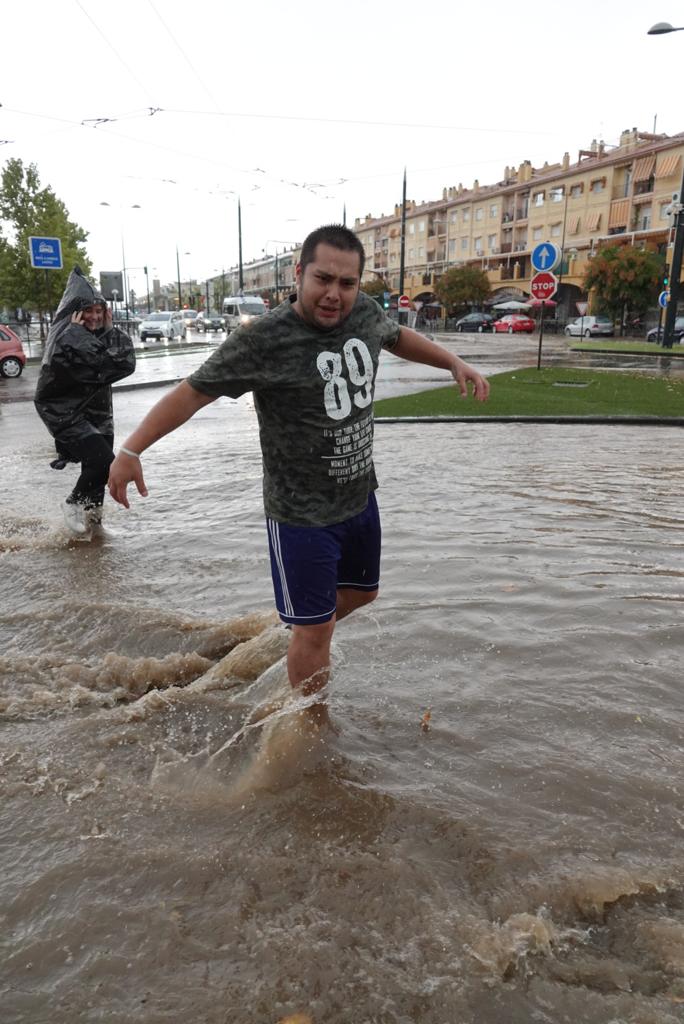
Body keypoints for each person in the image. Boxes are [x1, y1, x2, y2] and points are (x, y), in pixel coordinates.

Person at [108, 225, 489, 698]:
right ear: (299, 273)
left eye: (346, 284)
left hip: (358, 498)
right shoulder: (265, 340)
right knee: (316, 631)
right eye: (323, 279)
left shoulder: (365, 313)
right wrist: (131, 449)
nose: (334, 294)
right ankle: (307, 724)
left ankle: (294, 626)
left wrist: (453, 362)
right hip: (301, 516)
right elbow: (193, 393)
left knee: (363, 594)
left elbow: (397, 336)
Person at [34, 266, 136, 536]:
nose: (94, 316)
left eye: (98, 311)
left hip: (98, 413)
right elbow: (103, 361)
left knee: (101, 471)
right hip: (63, 412)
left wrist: (111, 329)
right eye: (87, 311)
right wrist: (82, 333)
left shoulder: (94, 336)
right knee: (104, 461)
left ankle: (95, 525)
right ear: (74, 314)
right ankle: (73, 502)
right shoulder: (67, 339)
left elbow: (125, 364)